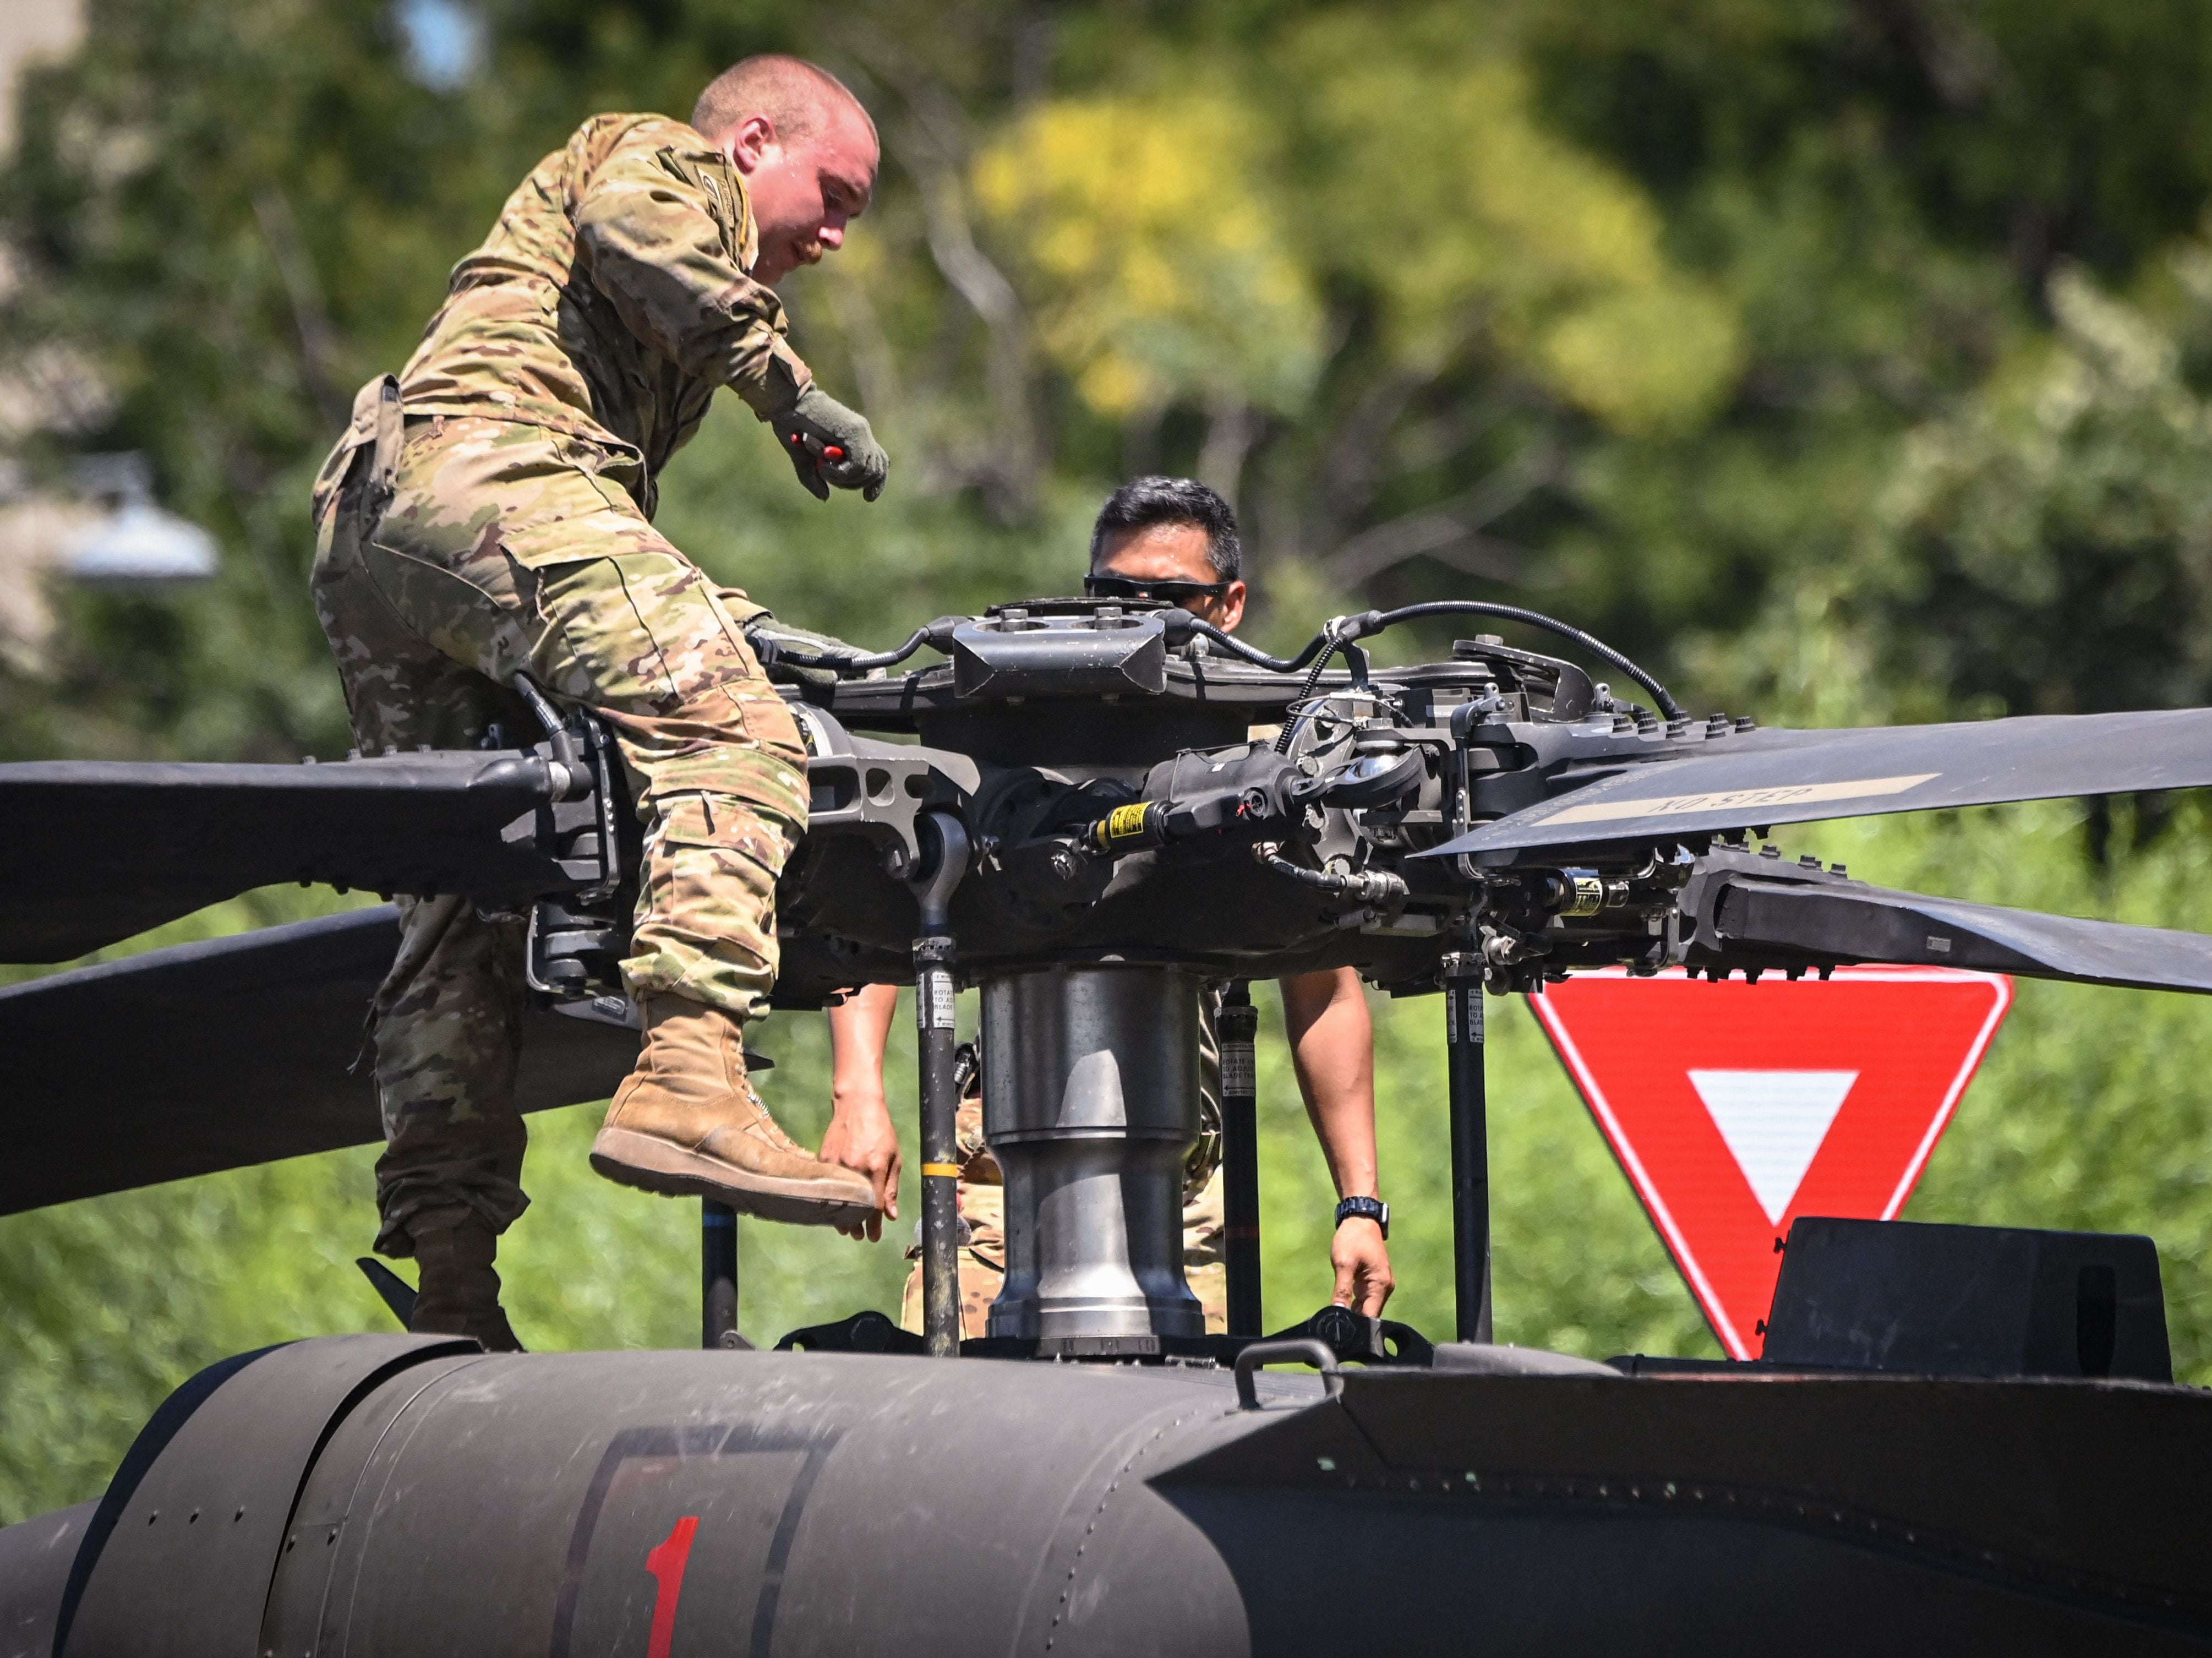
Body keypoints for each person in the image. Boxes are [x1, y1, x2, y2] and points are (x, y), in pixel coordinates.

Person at [310, 56, 893, 1348]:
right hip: (483, 471)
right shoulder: (659, 157)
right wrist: (788, 392)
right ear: (754, 142)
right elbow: (636, 234)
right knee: (735, 730)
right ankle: (689, 1070)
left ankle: (452, 1276)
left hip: (387, 520)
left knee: (455, 891)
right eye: (833, 194)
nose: (837, 237)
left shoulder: (646, 281)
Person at [818, 477, 1396, 1337]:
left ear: (1229, 604)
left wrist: (1361, 1203)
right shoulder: (1016, 729)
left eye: (1171, 599)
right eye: (1115, 595)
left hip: (1188, 1199)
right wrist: (857, 1092)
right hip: (996, 1192)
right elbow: (894, 901)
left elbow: (1325, 990)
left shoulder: (1260, 757)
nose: (1141, 617)